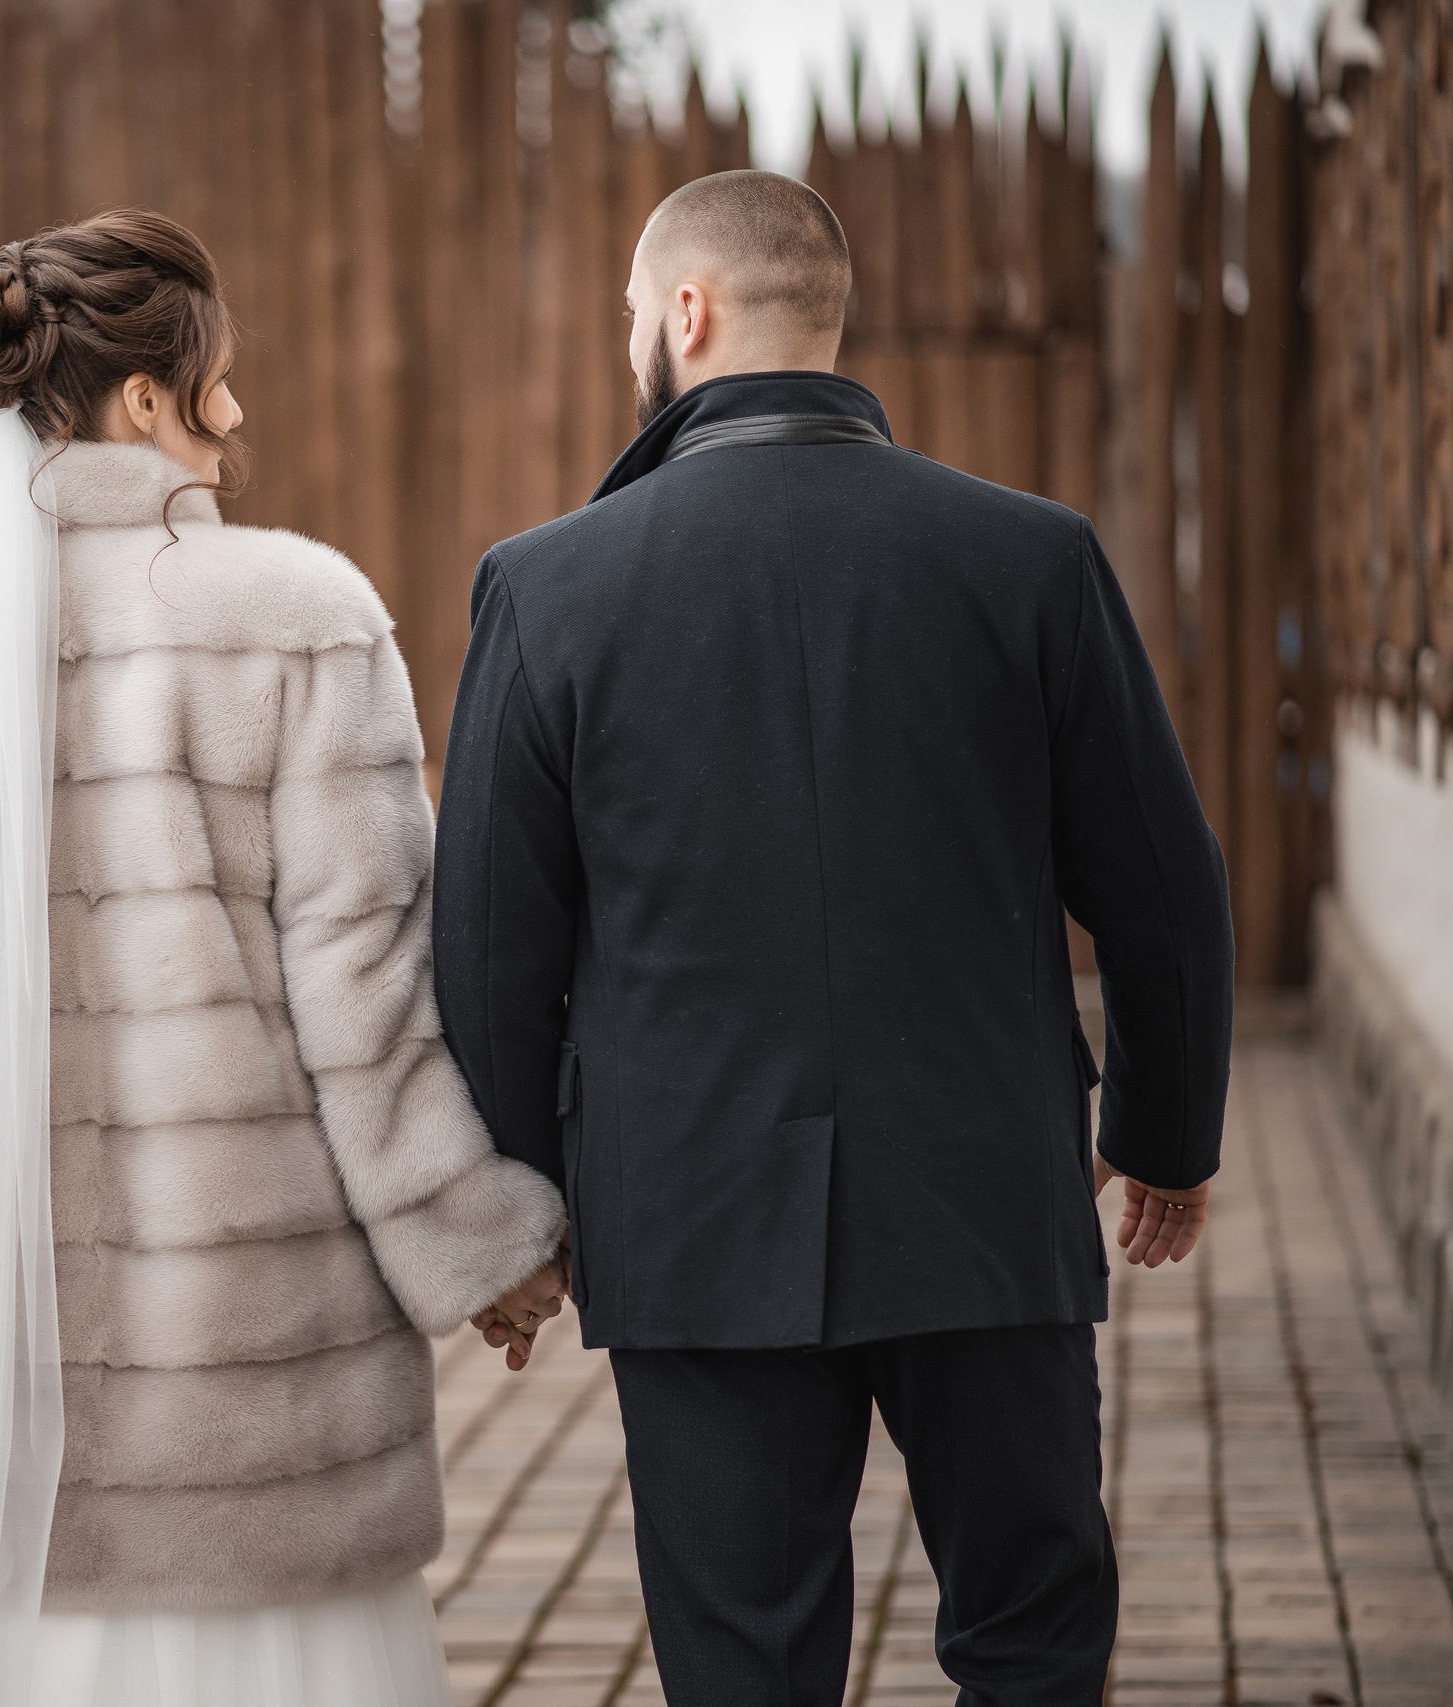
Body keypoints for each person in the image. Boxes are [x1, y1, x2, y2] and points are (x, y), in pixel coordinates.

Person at [0, 209, 566, 1707]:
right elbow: (364, 1004)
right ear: (154, 397)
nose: (240, 418)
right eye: (221, 378)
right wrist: (485, 1249)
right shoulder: (300, 623)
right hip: (241, 1379)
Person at [431, 169, 1236, 1706]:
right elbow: (1164, 884)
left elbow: (487, 952)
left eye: (630, 317)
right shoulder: (1032, 556)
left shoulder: (546, 586)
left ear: (688, 312)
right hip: (987, 1198)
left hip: (685, 1220)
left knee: (745, 1665)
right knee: (1032, 1635)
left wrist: (523, 1218)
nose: (630, 347)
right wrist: (1163, 1135)